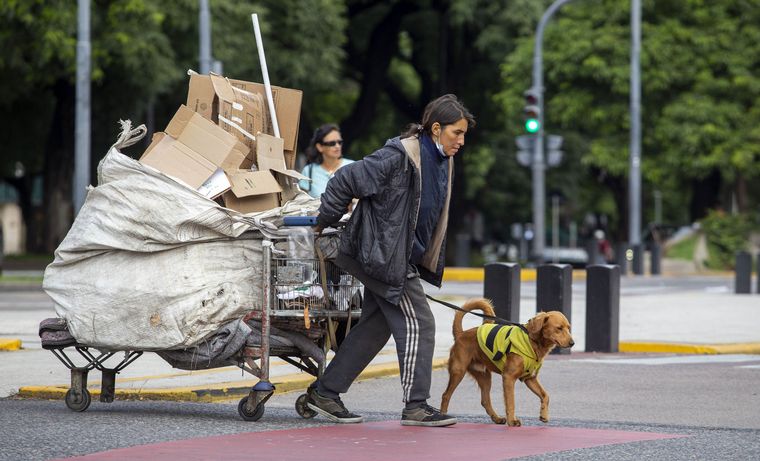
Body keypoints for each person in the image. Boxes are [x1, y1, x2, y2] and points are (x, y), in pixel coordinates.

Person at [307, 94, 475, 427]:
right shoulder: (397, 157)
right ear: (436, 128)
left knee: (374, 327)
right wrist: (324, 220)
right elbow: (345, 179)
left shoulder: (442, 159)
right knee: (420, 323)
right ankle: (416, 405)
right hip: (381, 257)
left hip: (395, 257)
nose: (461, 140)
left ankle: (324, 393)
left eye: (464, 134)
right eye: (457, 132)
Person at [298, 124, 354, 198]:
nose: (337, 146)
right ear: (320, 147)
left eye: (339, 142)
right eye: (332, 143)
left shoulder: (352, 167)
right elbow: (302, 201)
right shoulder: (308, 171)